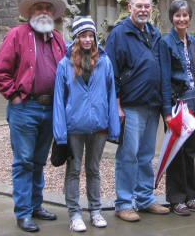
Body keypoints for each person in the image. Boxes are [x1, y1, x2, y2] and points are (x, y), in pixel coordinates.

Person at [0, 0, 66, 233]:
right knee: (24, 162)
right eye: (38, 7)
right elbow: (0, 72)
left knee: (38, 161)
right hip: (25, 107)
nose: (43, 11)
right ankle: (23, 212)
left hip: (50, 109)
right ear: (30, 12)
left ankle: (36, 205)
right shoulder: (17, 35)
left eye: (47, 8)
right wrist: (14, 96)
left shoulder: (57, 39)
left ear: (53, 14)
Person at [105, 0, 172, 222]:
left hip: (151, 105)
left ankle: (144, 198)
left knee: (145, 155)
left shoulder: (154, 34)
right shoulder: (119, 34)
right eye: (139, 6)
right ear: (129, 7)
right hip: (131, 106)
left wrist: (165, 107)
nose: (143, 10)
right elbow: (110, 72)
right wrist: (116, 105)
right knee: (128, 156)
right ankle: (124, 202)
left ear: (151, 9)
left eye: (147, 6)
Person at [53, 17, 121, 232]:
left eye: (90, 35)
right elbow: (58, 100)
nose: (88, 39)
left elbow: (112, 95)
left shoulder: (104, 61)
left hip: (98, 126)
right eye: (83, 35)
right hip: (75, 126)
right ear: (76, 38)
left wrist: (114, 127)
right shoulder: (65, 64)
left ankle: (95, 211)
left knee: (94, 169)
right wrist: (60, 134)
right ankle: (74, 213)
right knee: (73, 170)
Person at [163, 0, 195, 216]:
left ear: (190, 18)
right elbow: (164, 79)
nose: (181, 19)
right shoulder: (166, 43)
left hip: (193, 104)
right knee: (176, 152)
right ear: (172, 18)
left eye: (185, 15)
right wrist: (167, 111)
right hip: (176, 104)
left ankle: (190, 196)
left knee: (189, 152)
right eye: (177, 15)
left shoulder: (194, 42)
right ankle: (176, 198)